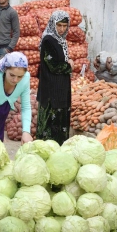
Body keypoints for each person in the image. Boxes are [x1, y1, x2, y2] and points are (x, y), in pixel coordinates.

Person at [36, 10, 75, 145]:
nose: (62, 29)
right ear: (53, 24)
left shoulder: (61, 41)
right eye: (59, 25)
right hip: (51, 89)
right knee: (50, 124)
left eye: (65, 26)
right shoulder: (48, 40)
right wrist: (69, 66)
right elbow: (53, 65)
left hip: (61, 87)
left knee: (60, 122)